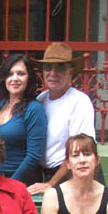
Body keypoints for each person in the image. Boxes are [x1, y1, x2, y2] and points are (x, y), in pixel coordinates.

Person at [28, 42, 101, 195]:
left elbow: (79, 149)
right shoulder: (41, 99)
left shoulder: (79, 101)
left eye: (60, 68)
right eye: (48, 68)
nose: (53, 73)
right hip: (46, 173)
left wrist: (51, 183)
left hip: (72, 175)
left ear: (70, 71)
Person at [0, 54, 47, 186]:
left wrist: (9, 184)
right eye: (10, 74)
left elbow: (33, 156)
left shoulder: (34, 109)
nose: (14, 79)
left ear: (29, 78)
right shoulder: (1, 104)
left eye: (20, 74)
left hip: (21, 181)